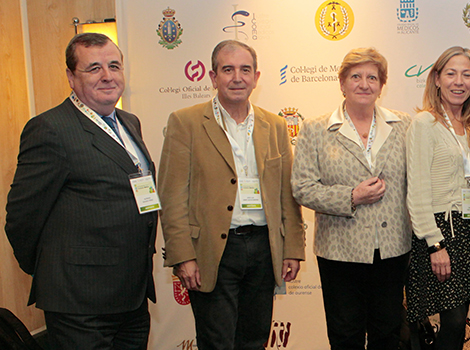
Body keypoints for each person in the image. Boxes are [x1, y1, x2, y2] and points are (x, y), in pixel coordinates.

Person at [5, 33, 157, 349]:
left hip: (131, 295)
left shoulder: (129, 122)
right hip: (79, 300)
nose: (107, 76)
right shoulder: (51, 128)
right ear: (71, 77)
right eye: (94, 68)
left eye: (114, 66)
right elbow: (22, 218)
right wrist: (56, 269)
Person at [158, 40, 306, 349]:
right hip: (212, 250)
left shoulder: (276, 125)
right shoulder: (185, 122)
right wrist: (183, 255)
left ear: (256, 77)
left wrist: (292, 247)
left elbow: (286, 193)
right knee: (217, 342)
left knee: (254, 340)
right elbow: (171, 197)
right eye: (227, 69)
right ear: (213, 77)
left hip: (264, 249)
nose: (237, 77)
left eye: (245, 69)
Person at [291, 47, 412, 349]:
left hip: (392, 250)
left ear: (382, 85)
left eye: (372, 77)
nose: (364, 84)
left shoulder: (404, 125)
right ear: (342, 83)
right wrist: (351, 196)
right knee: (345, 336)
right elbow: (302, 187)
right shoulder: (316, 129)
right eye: (355, 76)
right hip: (339, 252)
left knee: (388, 333)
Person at [405, 46, 470, 350]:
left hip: (468, 231)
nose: (459, 81)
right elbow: (416, 190)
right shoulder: (424, 124)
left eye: (466, 74)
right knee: (452, 324)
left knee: (457, 324)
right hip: (440, 232)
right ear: (437, 79)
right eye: (451, 73)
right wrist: (434, 243)